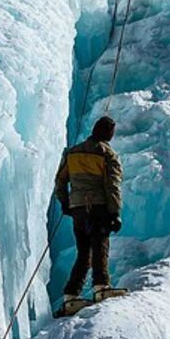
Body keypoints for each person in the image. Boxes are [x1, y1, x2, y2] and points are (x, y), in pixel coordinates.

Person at [53, 115, 123, 315]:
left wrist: (66, 203)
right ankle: (101, 287)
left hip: (78, 210)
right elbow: (112, 185)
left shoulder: (72, 153)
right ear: (108, 133)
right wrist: (115, 212)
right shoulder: (107, 154)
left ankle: (71, 295)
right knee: (100, 246)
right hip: (98, 207)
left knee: (84, 253)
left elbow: (60, 181)